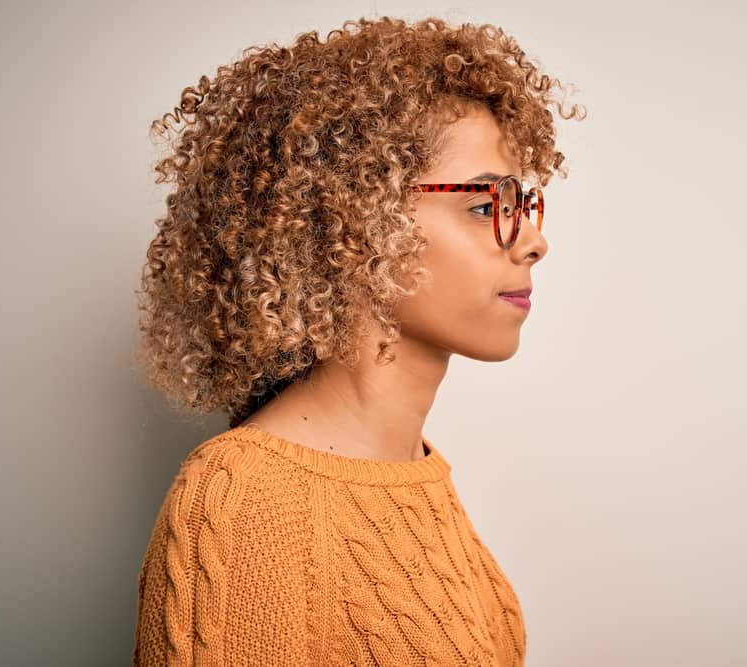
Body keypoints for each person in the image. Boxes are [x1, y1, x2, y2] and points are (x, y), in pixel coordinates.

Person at [131, 14, 585, 666]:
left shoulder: (417, 473)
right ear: (354, 219)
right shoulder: (245, 502)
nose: (534, 242)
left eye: (522, 206)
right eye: (486, 206)